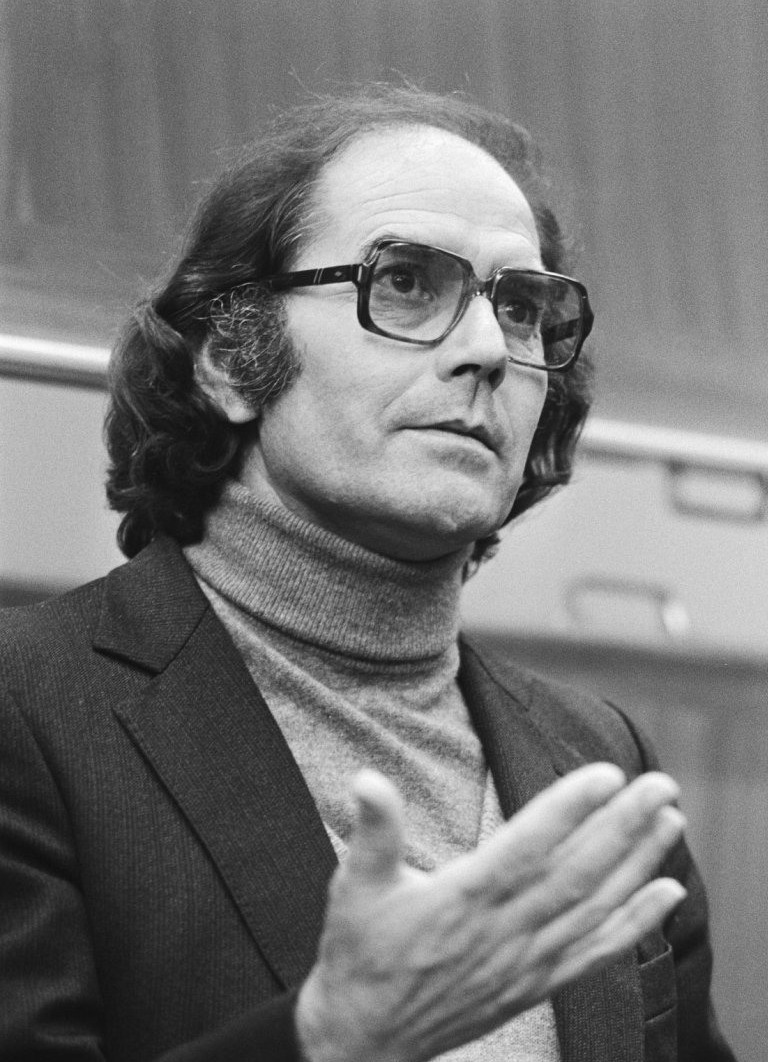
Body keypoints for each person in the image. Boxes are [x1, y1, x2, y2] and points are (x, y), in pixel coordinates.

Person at [0, 86, 735, 1062]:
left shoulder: (602, 761)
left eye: (521, 309)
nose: (487, 350)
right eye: (405, 284)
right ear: (231, 357)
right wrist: (328, 1041)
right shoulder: (28, 708)